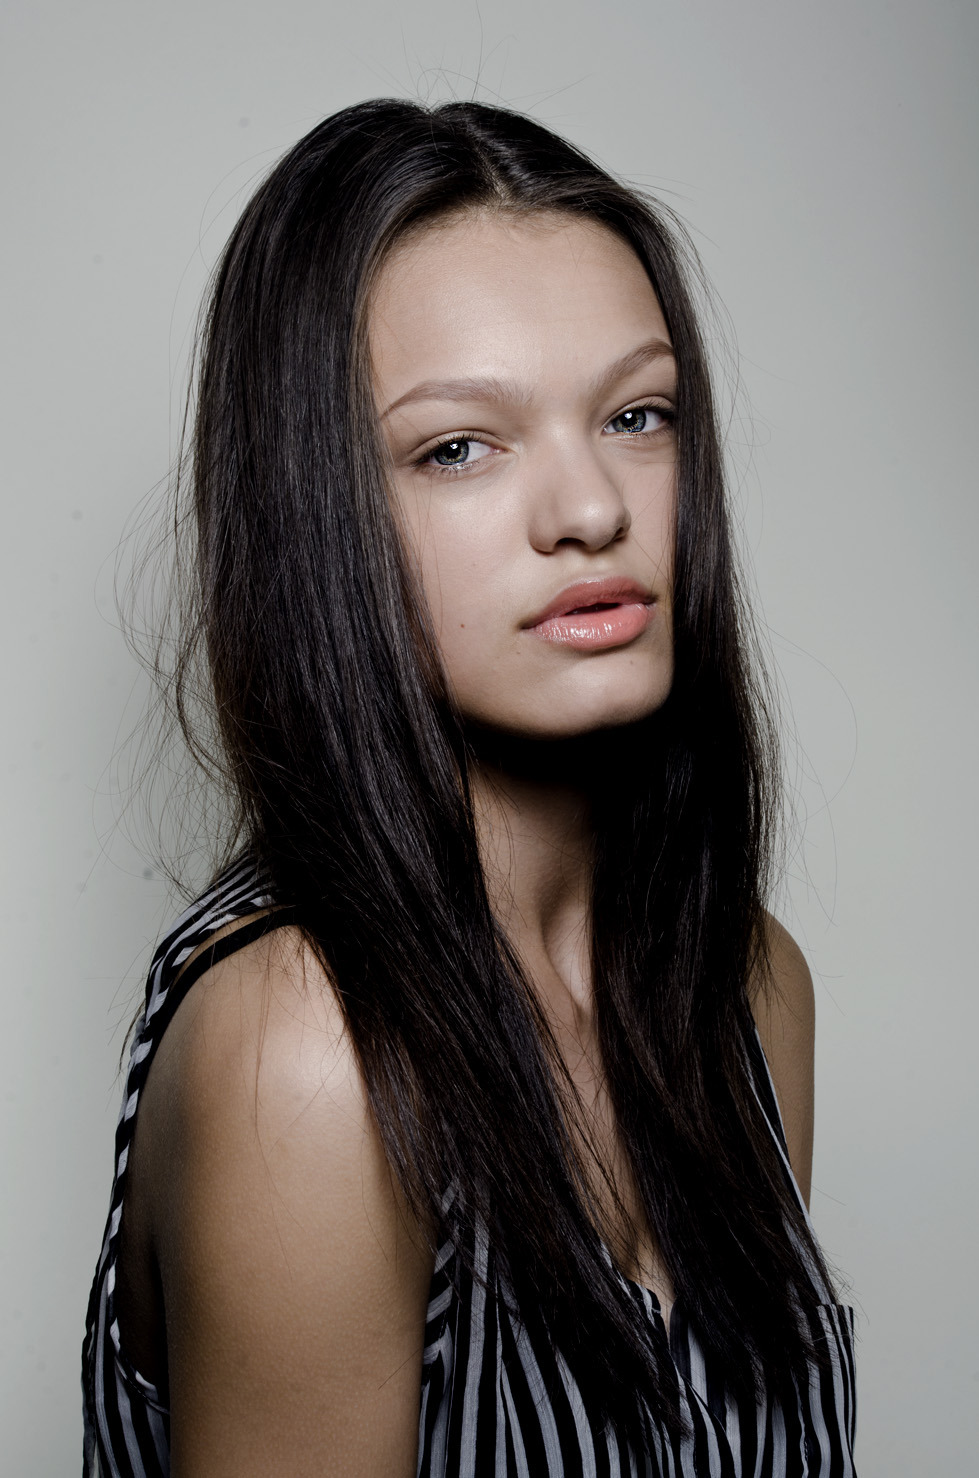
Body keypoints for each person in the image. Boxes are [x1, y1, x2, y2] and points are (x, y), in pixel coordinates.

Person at [82, 98, 857, 1477]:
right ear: (320, 512)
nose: (593, 509)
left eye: (637, 414)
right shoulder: (310, 1055)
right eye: (459, 446)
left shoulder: (751, 989)